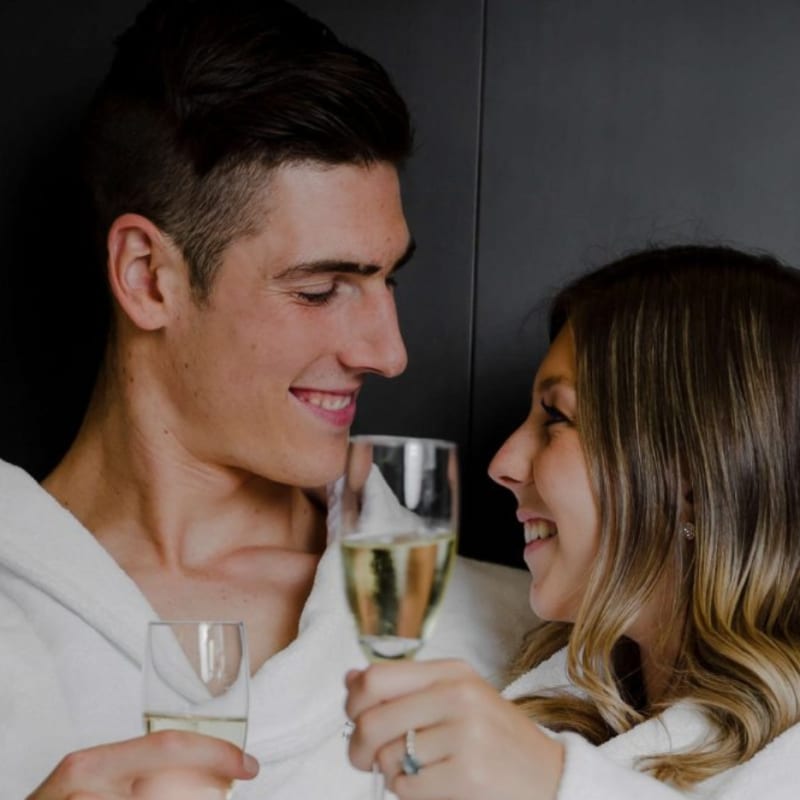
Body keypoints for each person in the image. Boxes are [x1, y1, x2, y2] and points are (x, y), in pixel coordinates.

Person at [0, 1, 532, 798]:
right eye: (320, 290)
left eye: (387, 280)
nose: (388, 353)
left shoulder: (508, 633)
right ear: (148, 276)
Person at [345, 244, 800, 799]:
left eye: (556, 417)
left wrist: (557, 784)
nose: (503, 464)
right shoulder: (542, 704)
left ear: (694, 482)